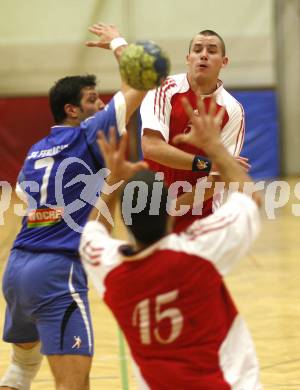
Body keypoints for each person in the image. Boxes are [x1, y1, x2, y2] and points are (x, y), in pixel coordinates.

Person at [0, 23, 149, 390]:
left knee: (20, 372)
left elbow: (26, 195)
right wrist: (118, 42)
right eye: (93, 100)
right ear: (72, 110)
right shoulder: (87, 134)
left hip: (17, 270)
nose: (101, 105)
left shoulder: (35, 151)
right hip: (57, 272)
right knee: (73, 385)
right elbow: (139, 83)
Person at [80, 96, 262, 389]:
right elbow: (250, 198)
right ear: (170, 212)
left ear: (125, 221)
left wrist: (111, 180)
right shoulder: (198, 250)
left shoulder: (111, 270)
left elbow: (92, 234)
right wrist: (215, 149)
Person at [141, 29, 247, 232]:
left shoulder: (233, 110)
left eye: (212, 50)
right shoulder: (164, 88)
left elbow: (220, 177)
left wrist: (172, 210)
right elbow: (151, 147)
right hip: (152, 207)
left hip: (201, 215)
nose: (204, 54)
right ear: (188, 58)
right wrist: (210, 164)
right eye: (197, 50)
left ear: (224, 62)